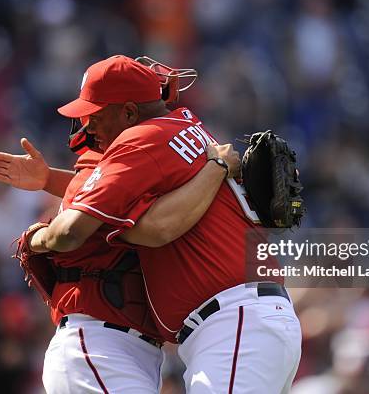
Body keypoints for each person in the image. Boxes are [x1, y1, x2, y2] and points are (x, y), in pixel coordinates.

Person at [21, 54, 302, 393]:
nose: (88, 125)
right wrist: (51, 179)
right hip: (250, 320)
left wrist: (35, 238)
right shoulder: (188, 128)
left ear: (128, 112)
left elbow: (80, 230)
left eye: (95, 114)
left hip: (234, 323)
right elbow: (135, 204)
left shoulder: (142, 138)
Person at [0, 93, 240, 392]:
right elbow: (132, 221)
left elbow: (115, 193)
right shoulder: (115, 162)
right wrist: (36, 236)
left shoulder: (132, 165)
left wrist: (49, 180)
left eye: (94, 117)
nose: (88, 127)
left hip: (129, 350)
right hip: (97, 345)